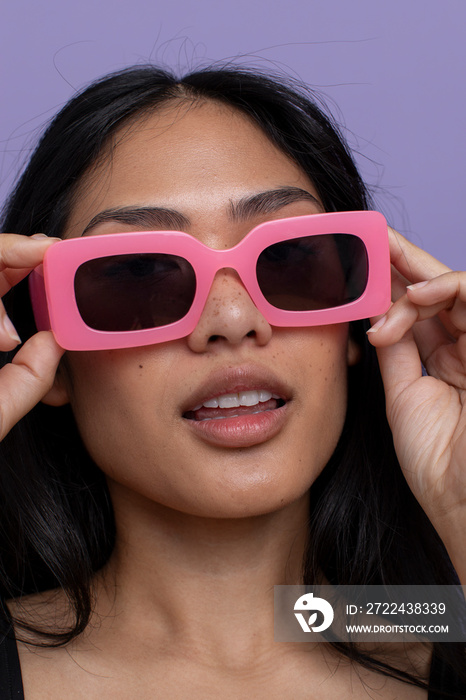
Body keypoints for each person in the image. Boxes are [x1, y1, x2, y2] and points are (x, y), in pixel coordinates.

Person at [0, 64, 464, 699]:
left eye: (291, 259)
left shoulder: (445, 637)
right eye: (140, 274)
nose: (234, 319)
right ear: (46, 356)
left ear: (361, 320)